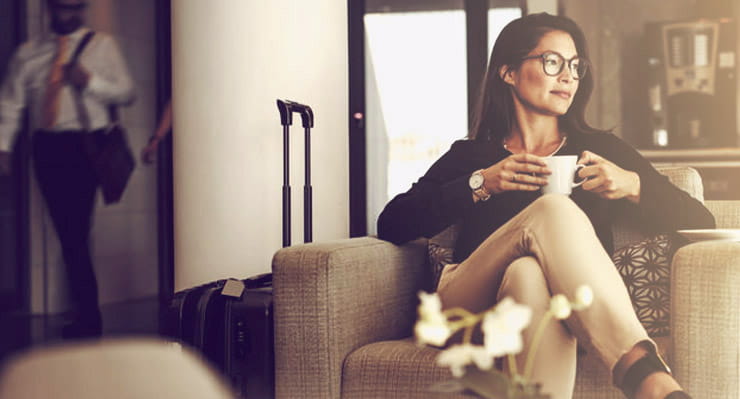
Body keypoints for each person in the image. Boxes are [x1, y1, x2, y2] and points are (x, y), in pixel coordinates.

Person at [377, 13, 714, 399]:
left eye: (574, 65)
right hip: (468, 303)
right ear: (508, 72)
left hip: (562, 309)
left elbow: (699, 217)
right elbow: (392, 222)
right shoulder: (472, 156)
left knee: (529, 275)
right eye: (552, 62)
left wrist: (631, 184)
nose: (568, 76)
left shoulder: (603, 151)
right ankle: (644, 373)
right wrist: (482, 183)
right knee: (553, 210)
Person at [0, 0, 135, 338]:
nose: (70, 15)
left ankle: (88, 318)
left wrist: (89, 82)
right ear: (50, 9)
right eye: (63, 8)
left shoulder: (102, 46)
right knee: (69, 233)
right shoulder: (28, 54)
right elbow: (11, 102)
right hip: (46, 149)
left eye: (76, 8)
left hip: (85, 147)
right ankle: (86, 314)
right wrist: (2, 147)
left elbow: (127, 92)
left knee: (74, 233)